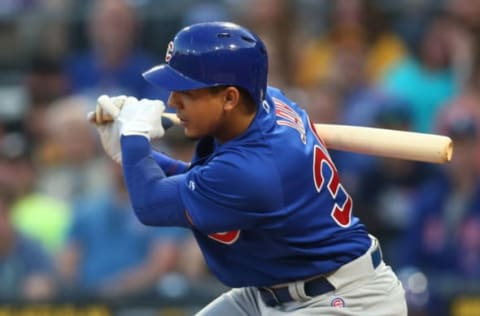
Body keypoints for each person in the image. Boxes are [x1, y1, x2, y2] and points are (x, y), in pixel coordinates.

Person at [90, 21, 407, 315]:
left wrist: (135, 141)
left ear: (229, 98)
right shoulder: (265, 104)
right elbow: (203, 182)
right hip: (276, 289)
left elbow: (151, 205)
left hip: (344, 301)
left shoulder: (255, 170)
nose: (173, 101)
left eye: (187, 91)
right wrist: (134, 154)